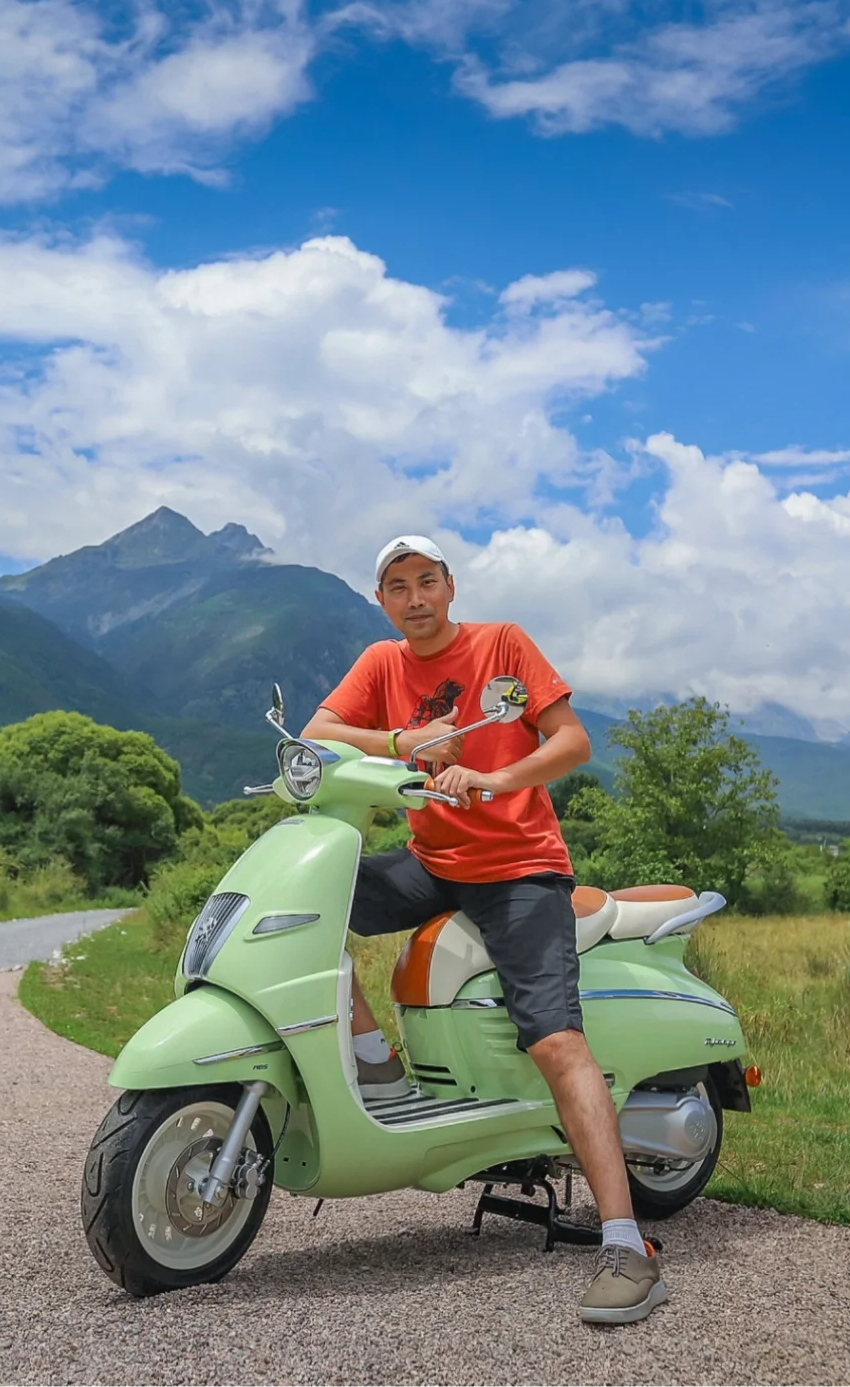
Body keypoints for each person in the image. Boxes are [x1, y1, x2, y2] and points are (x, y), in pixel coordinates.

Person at [300, 534, 666, 1327]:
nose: (415, 596)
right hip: (435, 857)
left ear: (450, 585)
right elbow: (318, 733)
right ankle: (378, 1064)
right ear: (383, 601)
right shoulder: (382, 663)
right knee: (304, 908)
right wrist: (398, 742)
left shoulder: (502, 645)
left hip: (520, 867)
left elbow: (573, 740)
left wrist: (494, 777)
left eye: (426, 579)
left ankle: (626, 1243)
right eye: (397, 585)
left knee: (553, 1038)